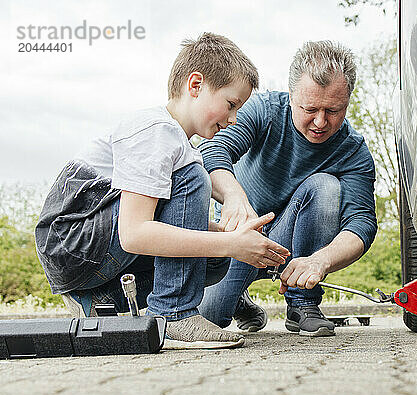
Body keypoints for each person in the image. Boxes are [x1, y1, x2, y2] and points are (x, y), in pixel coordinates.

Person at [35, 33, 290, 349]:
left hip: (85, 250)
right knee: (194, 177)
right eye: (231, 104)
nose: (234, 119)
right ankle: (174, 314)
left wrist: (231, 238)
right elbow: (134, 233)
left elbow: (156, 218)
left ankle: (101, 299)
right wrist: (228, 242)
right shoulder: (157, 131)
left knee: (214, 259)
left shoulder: (174, 141)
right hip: (71, 242)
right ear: (195, 85)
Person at [198, 40, 377, 337]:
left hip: (295, 243)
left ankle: (302, 303)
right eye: (310, 109)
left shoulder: (353, 151)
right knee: (211, 316)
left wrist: (321, 260)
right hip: (243, 235)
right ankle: (237, 296)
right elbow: (214, 151)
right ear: (291, 96)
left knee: (325, 186)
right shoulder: (264, 111)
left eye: (333, 110)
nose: (320, 122)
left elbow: (362, 224)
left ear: (348, 100)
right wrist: (233, 196)